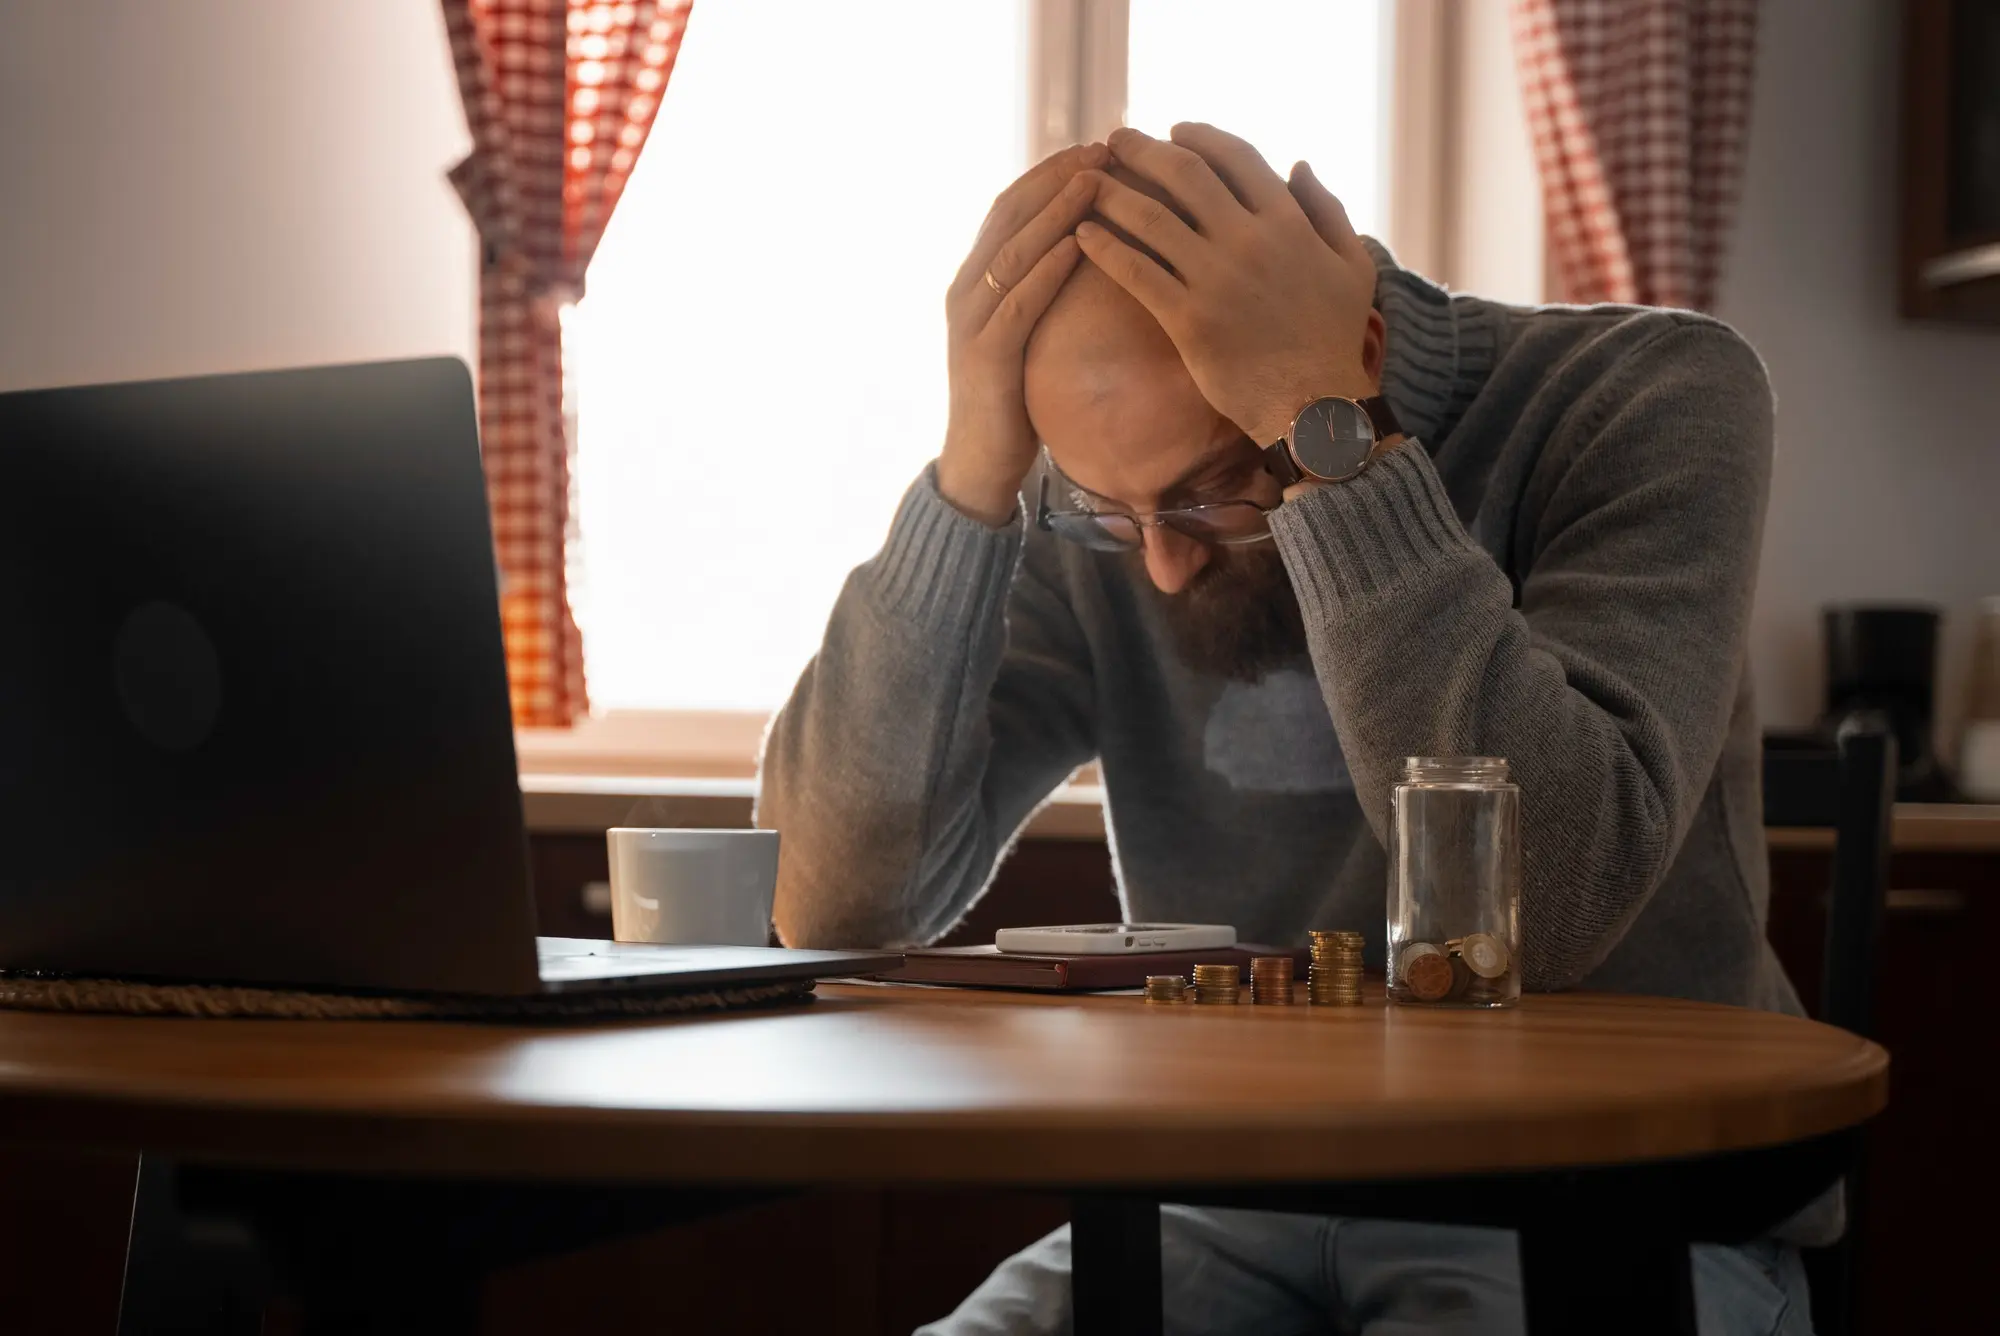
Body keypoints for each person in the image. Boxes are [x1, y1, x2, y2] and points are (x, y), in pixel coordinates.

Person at [754, 126, 1818, 1334]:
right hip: (1218, 1197)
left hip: (1605, 1206)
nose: (1154, 567)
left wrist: (1329, 443)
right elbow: (829, 901)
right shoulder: (1109, 517)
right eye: (1107, 508)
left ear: (1354, 354)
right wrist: (973, 477)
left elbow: (1548, 903)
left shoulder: (1647, 393)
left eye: (1210, 492)